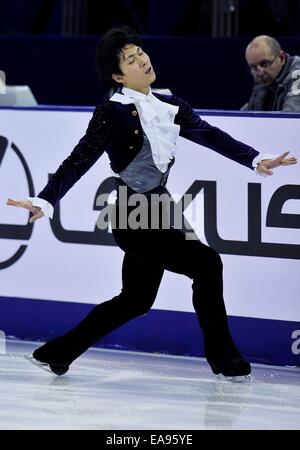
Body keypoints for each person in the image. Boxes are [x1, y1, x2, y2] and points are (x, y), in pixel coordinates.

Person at [7, 26, 297, 379]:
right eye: (131, 59)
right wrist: (46, 199)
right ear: (118, 75)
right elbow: (78, 160)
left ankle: (58, 352)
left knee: (136, 299)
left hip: (160, 210)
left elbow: (211, 135)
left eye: (140, 52)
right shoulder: (111, 112)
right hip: (133, 215)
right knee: (207, 264)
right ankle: (224, 357)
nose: (142, 60)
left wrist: (255, 159)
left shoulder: (169, 106)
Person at [241, 35, 300, 111]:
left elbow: (290, 119)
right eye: (253, 67)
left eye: (265, 64)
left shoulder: (297, 76)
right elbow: (249, 113)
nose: (260, 73)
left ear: (281, 58)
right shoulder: (264, 77)